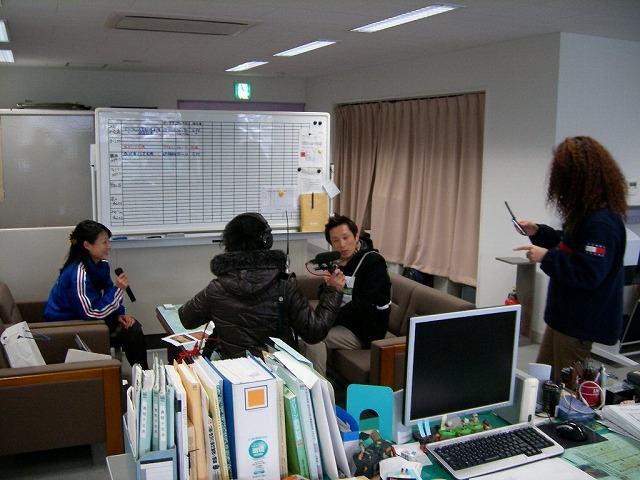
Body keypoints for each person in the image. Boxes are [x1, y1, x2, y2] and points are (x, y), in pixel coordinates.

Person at [514, 136, 628, 382]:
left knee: (566, 391)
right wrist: (539, 232)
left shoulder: (601, 223)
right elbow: (569, 244)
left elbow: (588, 273)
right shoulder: (587, 215)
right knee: (544, 379)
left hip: (579, 324)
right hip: (563, 318)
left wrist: (546, 257)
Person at [178, 212, 346, 359]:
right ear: (266, 241)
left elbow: (186, 318)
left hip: (234, 372)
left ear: (229, 244)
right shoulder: (285, 284)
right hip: (280, 373)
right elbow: (314, 332)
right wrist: (333, 291)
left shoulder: (216, 288)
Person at [43, 220, 149, 369]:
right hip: (68, 326)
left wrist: (118, 314)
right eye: (104, 242)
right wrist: (118, 290)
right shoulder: (78, 274)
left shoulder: (101, 265)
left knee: (132, 327)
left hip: (88, 318)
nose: (109, 246)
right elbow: (90, 312)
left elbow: (106, 293)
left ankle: (144, 374)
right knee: (131, 333)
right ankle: (143, 375)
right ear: (87, 245)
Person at [302, 214, 392, 376]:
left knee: (314, 337)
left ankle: (320, 389)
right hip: (345, 322)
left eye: (346, 237)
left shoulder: (374, 263)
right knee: (303, 330)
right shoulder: (339, 262)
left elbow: (362, 304)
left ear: (356, 237)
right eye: (336, 240)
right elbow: (325, 296)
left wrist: (327, 320)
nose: (342, 245)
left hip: (364, 330)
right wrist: (329, 287)